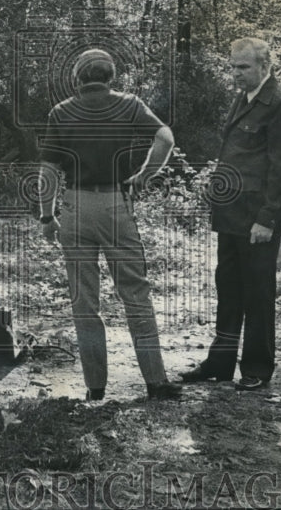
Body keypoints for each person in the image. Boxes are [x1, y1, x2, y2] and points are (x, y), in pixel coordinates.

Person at [38, 48, 182, 402]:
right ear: (110, 76)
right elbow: (165, 138)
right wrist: (145, 175)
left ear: (78, 79)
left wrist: (46, 215)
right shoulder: (129, 104)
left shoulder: (62, 111)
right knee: (135, 294)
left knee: (84, 301)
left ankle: (96, 388)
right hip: (116, 205)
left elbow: (48, 171)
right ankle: (155, 381)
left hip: (75, 207)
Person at [180, 37, 281, 390]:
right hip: (231, 213)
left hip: (256, 216)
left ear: (265, 66)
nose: (236, 74)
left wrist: (268, 217)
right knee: (228, 286)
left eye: (243, 67)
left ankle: (257, 369)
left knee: (258, 291)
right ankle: (220, 362)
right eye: (233, 67)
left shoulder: (278, 102)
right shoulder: (243, 98)